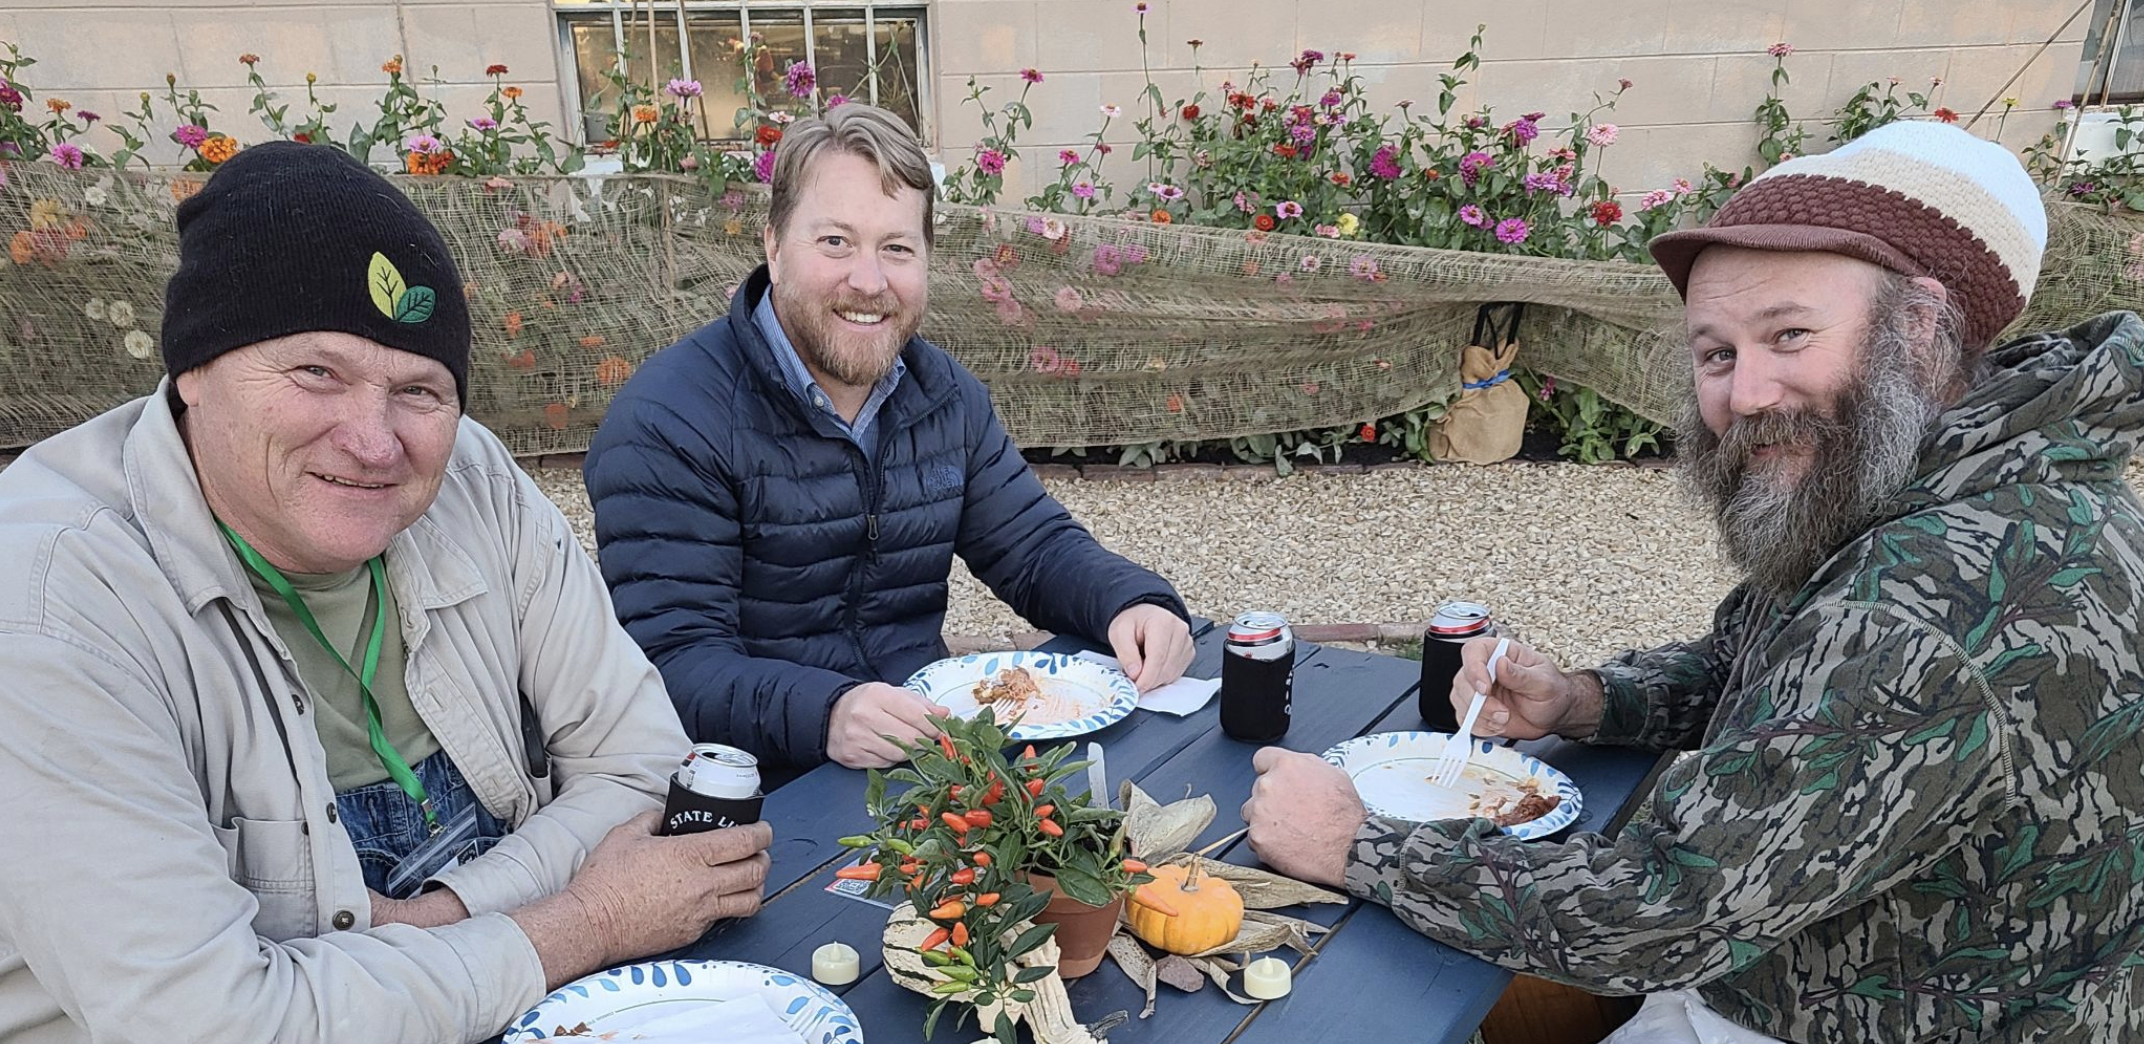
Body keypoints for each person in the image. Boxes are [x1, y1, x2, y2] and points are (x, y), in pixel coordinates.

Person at [1242, 121, 2144, 1043]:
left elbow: (1665, 910)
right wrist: (1587, 701)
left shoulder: (1922, 599)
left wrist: (1356, 846)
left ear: (1920, 325)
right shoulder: (2006, 468)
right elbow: (1759, 671)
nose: (1745, 395)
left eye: (1788, 335)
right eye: (1717, 353)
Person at [0, 142, 772, 1044]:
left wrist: (440, 919)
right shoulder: (51, 606)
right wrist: (586, 920)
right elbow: (206, 1021)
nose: (373, 442)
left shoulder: (474, 477)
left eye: (418, 389)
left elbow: (639, 764)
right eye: (315, 373)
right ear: (193, 371)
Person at [584, 103, 1194, 773]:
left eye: (896, 248)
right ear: (773, 246)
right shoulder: (668, 421)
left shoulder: (944, 397)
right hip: (755, 791)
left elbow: (1035, 549)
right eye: (836, 242)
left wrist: (1133, 601)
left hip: (921, 761)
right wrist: (827, 713)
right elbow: (671, 664)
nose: (869, 282)